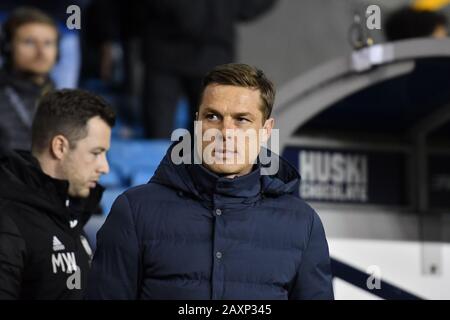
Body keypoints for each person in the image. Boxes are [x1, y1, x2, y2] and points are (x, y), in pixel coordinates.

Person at [86, 63, 334, 300]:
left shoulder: (303, 224)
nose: (225, 132)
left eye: (242, 119)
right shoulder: (134, 210)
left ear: (266, 130)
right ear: (197, 123)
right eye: (213, 117)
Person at [0, 89, 115, 299]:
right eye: (96, 153)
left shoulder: (70, 213)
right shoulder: (9, 221)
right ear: (60, 147)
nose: (105, 167)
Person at [139, 0, 278, 139]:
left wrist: (227, 9)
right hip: (167, 53)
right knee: (159, 133)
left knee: (209, 135)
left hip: (204, 53)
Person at [0, 7, 58, 151]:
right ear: (7, 47)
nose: (41, 52)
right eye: (29, 42)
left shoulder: (58, 96)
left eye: (48, 43)